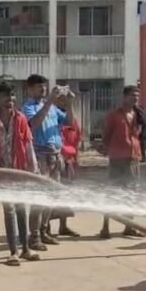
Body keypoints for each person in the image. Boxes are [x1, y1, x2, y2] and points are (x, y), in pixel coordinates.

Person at [0, 83, 41, 266]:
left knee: (22, 209)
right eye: (6, 96)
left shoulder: (20, 118)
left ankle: (26, 250)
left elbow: (28, 144)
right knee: (9, 210)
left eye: (12, 96)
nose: (10, 100)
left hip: (19, 171)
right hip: (2, 172)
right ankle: (13, 252)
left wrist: (34, 171)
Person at [21, 75, 75, 250]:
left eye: (44, 87)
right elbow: (33, 124)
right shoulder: (27, 108)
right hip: (40, 156)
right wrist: (49, 102)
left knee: (51, 198)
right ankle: (34, 236)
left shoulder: (51, 108)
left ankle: (44, 231)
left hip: (55, 155)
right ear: (29, 90)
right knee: (39, 198)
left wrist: (69, 104)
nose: (43, 90)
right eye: (39, 87)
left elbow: (68, 121)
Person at [98, 86, 146, 239]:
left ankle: (129, 227)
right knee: (113, 193)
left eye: (137, 96)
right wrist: (104, 148)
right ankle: (105, 227)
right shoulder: (114, 115)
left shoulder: (138, 114)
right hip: (117, 159)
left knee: (132, 194)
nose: (135, 98)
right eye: (132, 95)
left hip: (133, 158)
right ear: (124, 97)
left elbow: (139, 136)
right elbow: (106, 135)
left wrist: (141, 153)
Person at [51, 97, 81, 238]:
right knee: (51, 194)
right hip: (57, 160)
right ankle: (46, 228)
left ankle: (63, 226)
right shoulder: (53, 120)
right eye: (61, 101)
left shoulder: (73, 122)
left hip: (70, 162)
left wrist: (76, 161)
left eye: (66, 101)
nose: (63, 103)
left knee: (65, 195)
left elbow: (77, 142)